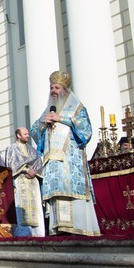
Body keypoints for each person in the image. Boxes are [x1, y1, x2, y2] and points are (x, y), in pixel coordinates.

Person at [31, 70, 100, 236]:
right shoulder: (47, 111)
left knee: (71, 192)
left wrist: (61, 118)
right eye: (51, 87)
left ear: (65, 89)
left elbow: (86, 132)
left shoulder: (77, 108)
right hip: (53, 165)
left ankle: (79, 227)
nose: (53, 91)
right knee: (57, 192)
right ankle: (58, 228)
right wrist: (42, 122)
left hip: (70, 162)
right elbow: (34, 131)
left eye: (56, 87)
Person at [1, 127, 43, 236]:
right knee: (21, 205)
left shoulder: (32, 149)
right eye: (25, 134)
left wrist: (34, 171)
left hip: (33, 180)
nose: (28, 136)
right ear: (18, 135)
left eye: (28, 134)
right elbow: (11, 164)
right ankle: (23, 233)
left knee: (36, 206)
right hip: (20, 180)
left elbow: (38, 162)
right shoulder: (11, 148)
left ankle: (38, 232)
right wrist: (26, 170)